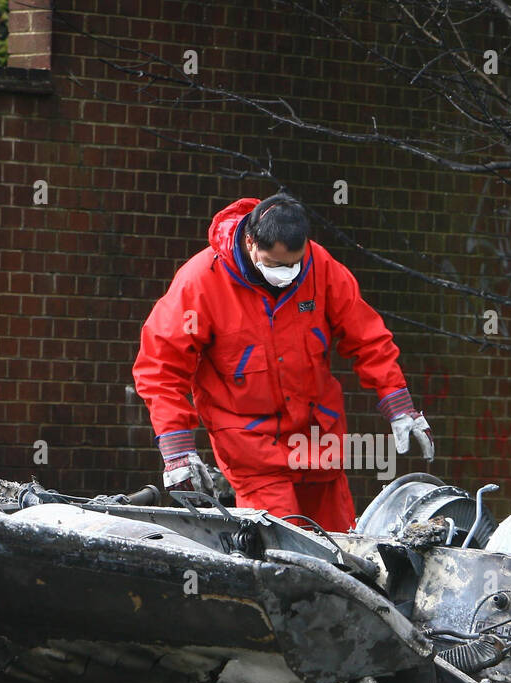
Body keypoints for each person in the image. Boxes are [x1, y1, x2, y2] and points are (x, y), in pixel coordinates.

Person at [132, 194, 434, 531]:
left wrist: (398, 403)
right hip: (252, 449)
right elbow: (161, 365)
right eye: (275, 265)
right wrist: (177, 449)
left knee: (341, 547)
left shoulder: (320, 266)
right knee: (288, 552)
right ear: (250, 243)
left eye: (295, 264)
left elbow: (366, 336)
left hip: (319, 440)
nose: (288, 275)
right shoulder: (202, 282)